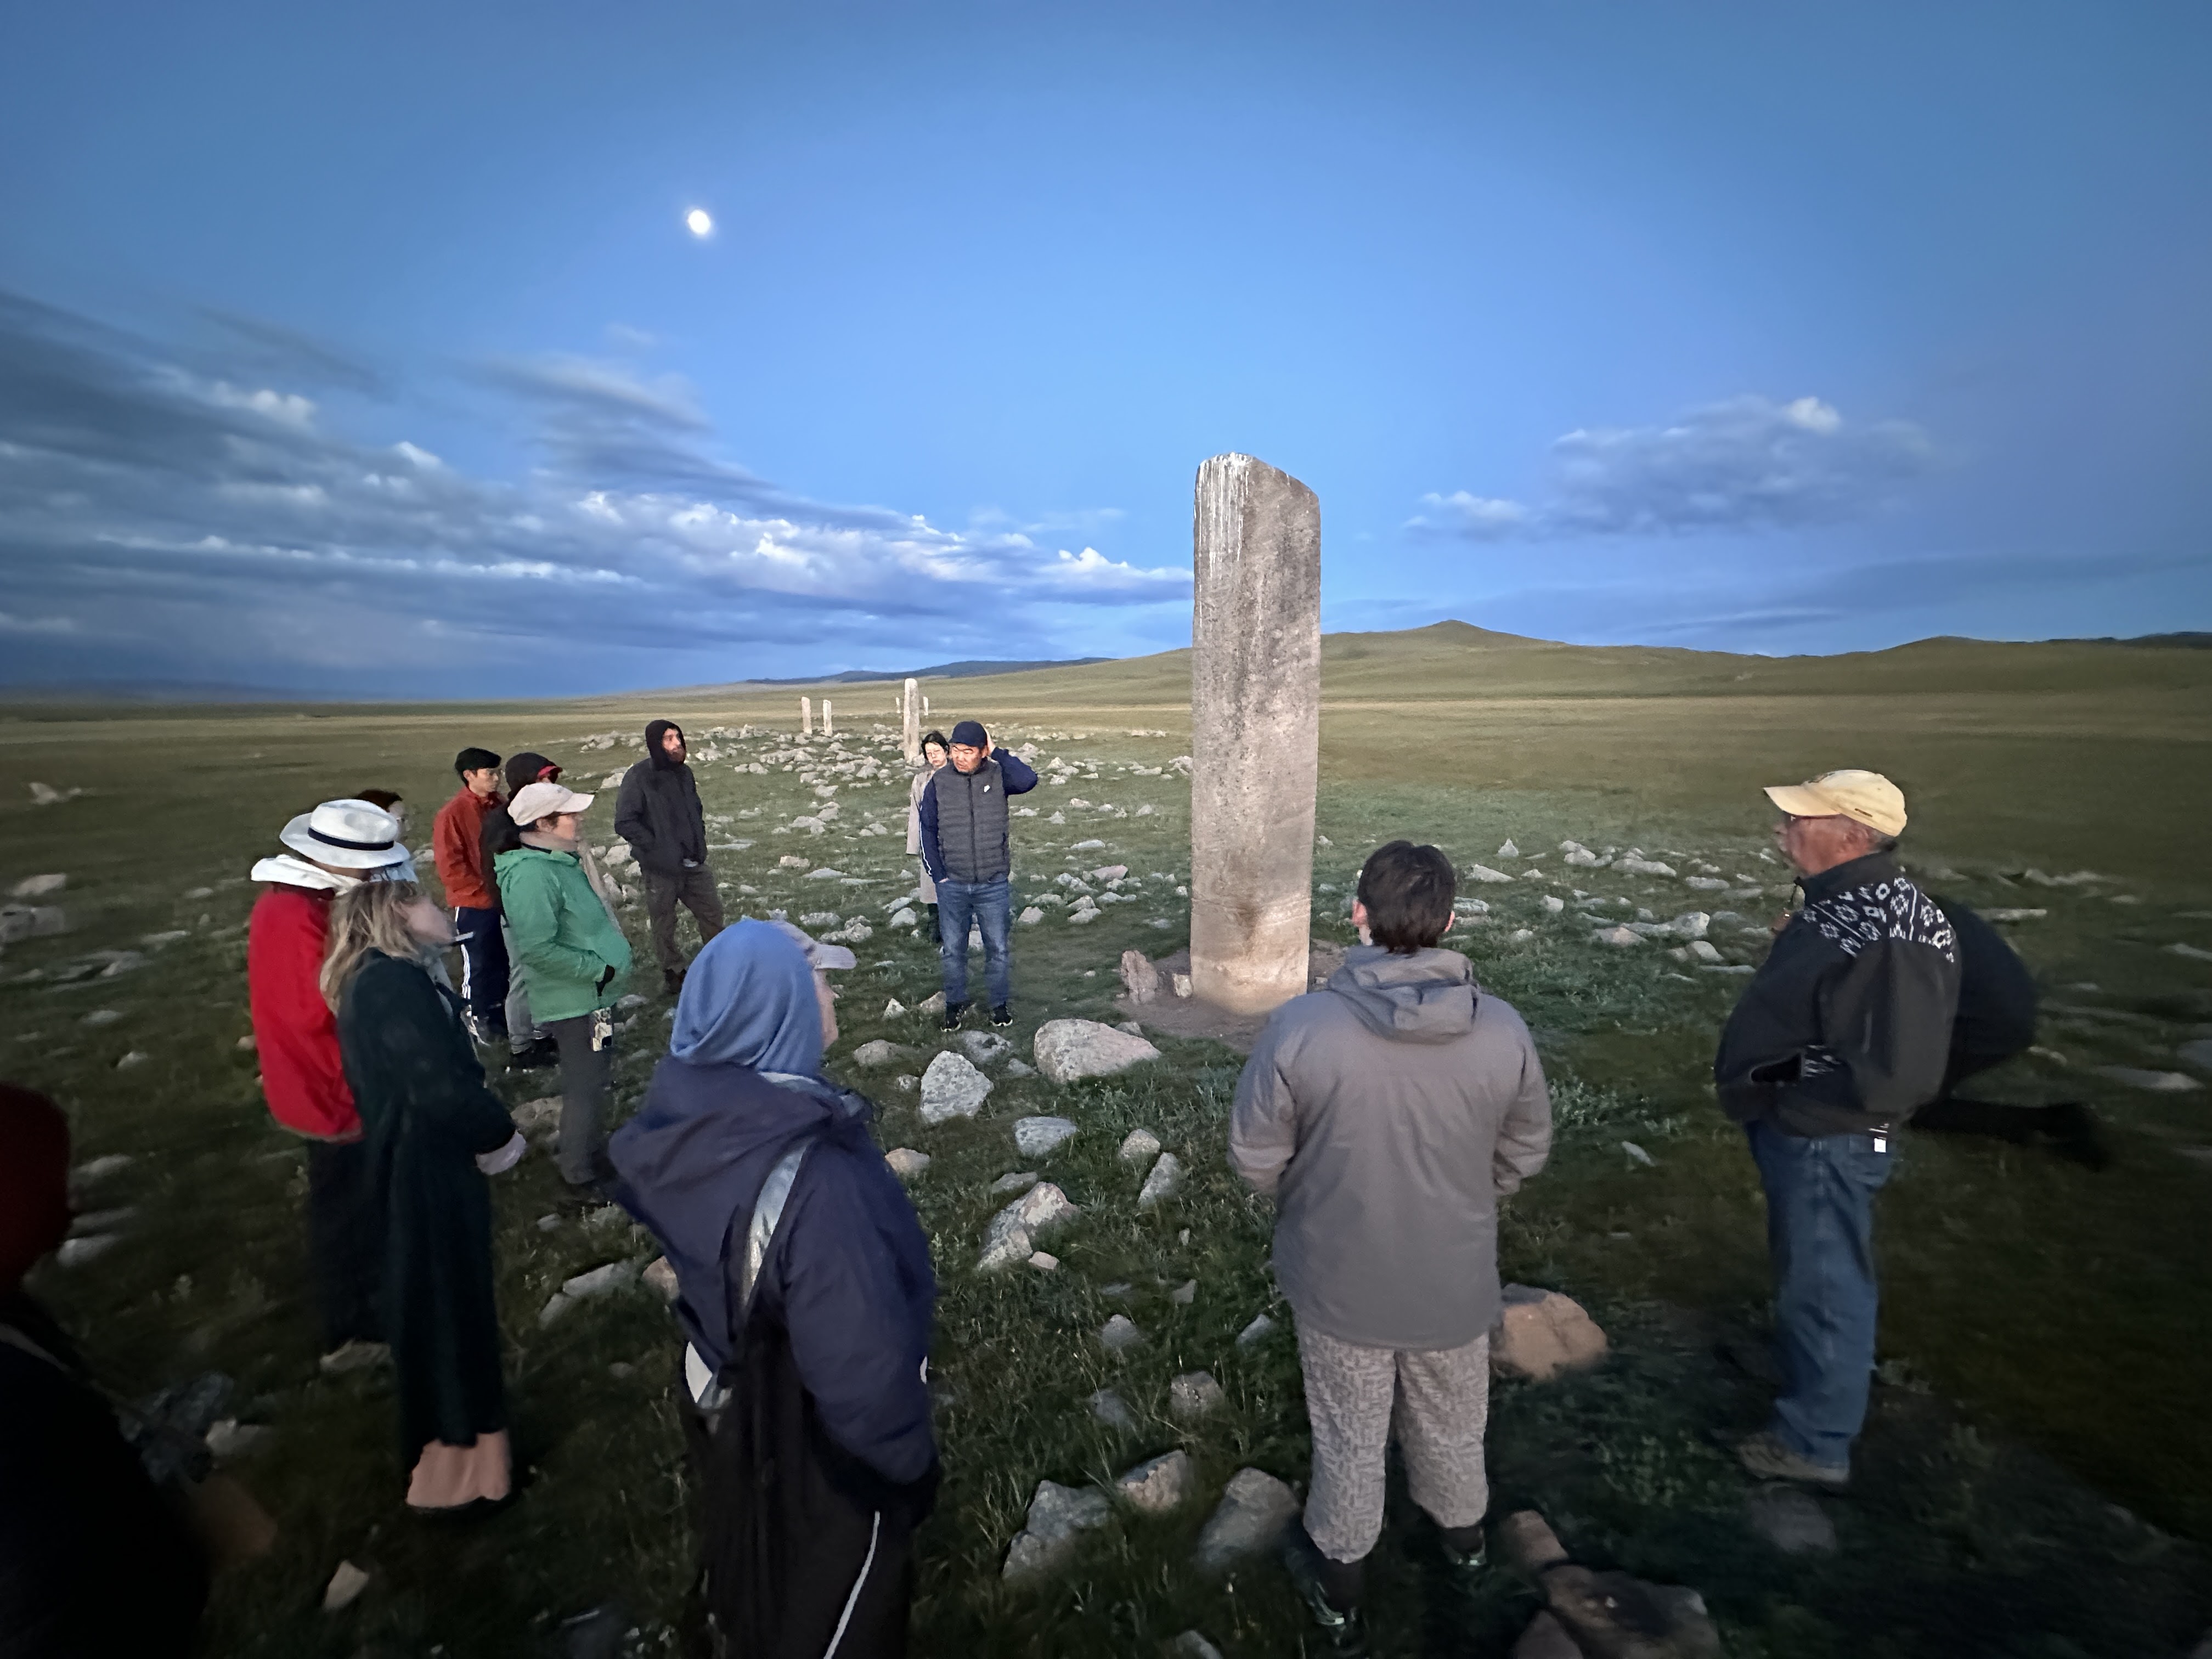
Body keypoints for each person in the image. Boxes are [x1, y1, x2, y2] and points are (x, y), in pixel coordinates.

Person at [1228, 841, 1553, 1653]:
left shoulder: (1300, 1028)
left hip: (1338, 1283)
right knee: (1452, 1420)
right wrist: (1471, 1205)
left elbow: (1255, 1156)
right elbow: (1524, 1150)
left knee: (1348, 1434)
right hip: (1455, 1280)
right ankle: (1464, 1543)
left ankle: (1341, 1585)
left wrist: (1309, 1205)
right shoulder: (1504, 1030)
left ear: (1358, 915)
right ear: (1448, 921)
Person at [609, 921, 938, 1657]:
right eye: (819, 979)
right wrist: (904, 1471)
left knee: (761, 1562)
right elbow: (863, 1367)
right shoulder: (818, 1186)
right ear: (779, 1009)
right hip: (820, 1445)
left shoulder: (695, 1121)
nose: (834, 991)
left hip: (728, 1387)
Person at [1715, 769, 1960, 1489]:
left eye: (1801, 820)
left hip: (1827, 1133)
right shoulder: (1849, 905)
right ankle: (1805, 1375)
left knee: (1827, 1282)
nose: (1783, 829)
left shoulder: (1889, 932)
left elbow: (1897, 1071)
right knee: (1809, 1269)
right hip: (1808, 1127)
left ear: (1851, 835)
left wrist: (1791, 1094)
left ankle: (1815, 1441)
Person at [325, 881, 525, 1514]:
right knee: (446, 1309)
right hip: (426, 1167)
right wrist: (498, 1131)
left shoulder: (380, 978)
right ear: (396, 913)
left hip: (416, 1159)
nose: (441, 909)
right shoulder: (390, 986)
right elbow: (433, 1084)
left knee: (447, 1304)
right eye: (426, 901)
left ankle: (474, 1460)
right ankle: (457, 1479)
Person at [1, 1084, 210, 1653]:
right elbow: (46, 1599)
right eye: (47, 1186)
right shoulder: (14, 1407)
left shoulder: (13, 1313)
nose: (66, 1209)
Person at [247, 798, 412, 1363]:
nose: (373, 873)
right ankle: (353, 1325)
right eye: (367, 863)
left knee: (353, 1195)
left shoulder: (291, 900)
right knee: (345, 1204)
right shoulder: (300, 914)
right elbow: (315, 1008)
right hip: (329, 1079)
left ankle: (369, 1297)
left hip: (321, 1071)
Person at [498, 779, 633, 1193]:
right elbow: (537, 949)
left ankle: (590, 1152)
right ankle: (580, 1172)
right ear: (544, 823)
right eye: (570, 814)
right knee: (585, 1086)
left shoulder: (558, 862)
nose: (579, 819)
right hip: (577, 1001)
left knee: (594, 1078)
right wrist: (599, 970)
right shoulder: (532, 877)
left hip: (594, 998)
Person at [1910, 896, 2106, 1168]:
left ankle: (2049, 1124)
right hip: (2010, 1009)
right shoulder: (1917, 902)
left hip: (1986, 1024)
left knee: (1899, 1104)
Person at [914, 719, 1038, 1029]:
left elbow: (1029, 780)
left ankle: (998, 1006)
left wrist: (998, 752)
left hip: (992, 883)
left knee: (997, 949)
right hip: (952, 883)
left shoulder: (999, 776)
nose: (960, 757)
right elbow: (927, 829)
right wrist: (938, 875)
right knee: (953, 950)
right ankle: (954, 1005)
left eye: (968, 751)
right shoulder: (938, 783)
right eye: (955, 749)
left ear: (983, 752)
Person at [615, 718, 726, 996]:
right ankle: (674, 972)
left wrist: (698, 842)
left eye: (678, 737)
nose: (676, 744)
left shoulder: (684, 774)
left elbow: (695, 811)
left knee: (712, 913)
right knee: (665, 921)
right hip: (661, 867)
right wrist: (656, 848)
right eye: (668, 739)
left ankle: (719, 965)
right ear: (656, 743)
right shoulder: (640, 776)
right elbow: (625, 822)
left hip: (693, 863)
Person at [479, 751, 572, 1070]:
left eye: (551, 777)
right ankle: (521, 1046)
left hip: (549, 907)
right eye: (542, 777)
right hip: (520, 911)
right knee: (522, 975)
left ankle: (543, 1033)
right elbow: (495, 872)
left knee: (546, 971)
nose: (548, 782)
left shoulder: (546, 814)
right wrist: (509, 910)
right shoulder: (502, 820)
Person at [432, 748, 512, 1047]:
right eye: (490, 773)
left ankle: (503, 1016)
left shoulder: (499, 805)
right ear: (469, 776)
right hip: (474, 903)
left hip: (504, 898)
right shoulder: (452, 814)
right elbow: (450, 865)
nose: (496, 778)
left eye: (498, 772)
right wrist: (482, 891)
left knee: (505, 961)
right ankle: (475, 1018)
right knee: (478, 963)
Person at [904, 729, 950, 925]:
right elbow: (916, 811)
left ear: (947, 750)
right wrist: (915, 844)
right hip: (929, 838)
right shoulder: (921, 780)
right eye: (929, 754)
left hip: (953, 836)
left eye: (937, 752)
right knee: (931, 882)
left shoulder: (958, 776)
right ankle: (935, 926)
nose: (934, 757)